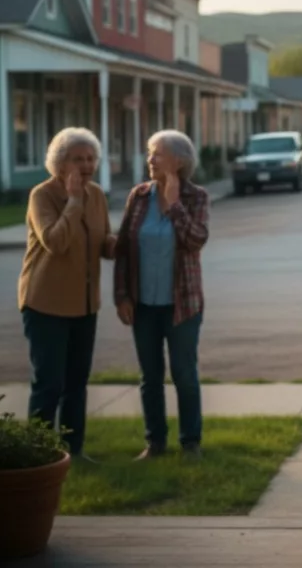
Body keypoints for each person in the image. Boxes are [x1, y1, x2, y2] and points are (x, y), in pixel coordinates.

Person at [19, 127, 115, 461]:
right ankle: (40, 454)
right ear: (60, 163)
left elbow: (103, 243)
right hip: (45, 303)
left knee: (76, 385)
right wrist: (73, 202)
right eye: (78, 159)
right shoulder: (42, 196)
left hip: (84, 306)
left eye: (91, 158)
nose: (87, 165)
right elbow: (56, 242)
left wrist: (126, 243)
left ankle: (74, 450)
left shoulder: (98, 195)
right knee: (49, 385)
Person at [114, 129, 210, 461]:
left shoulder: (196, 197)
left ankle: (190, 443)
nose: (149, 160)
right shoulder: (138, 196)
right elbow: (124, 249)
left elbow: (196, 240)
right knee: (150, 377)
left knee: (184, 374)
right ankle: (155, 443)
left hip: (183, 304)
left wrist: (173, 205)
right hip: (143, 305)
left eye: (157, 154)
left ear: (178, 162)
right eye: (149, 153)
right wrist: (122, 295)